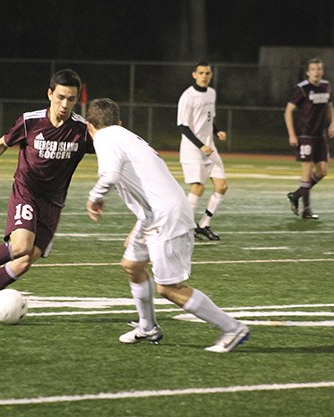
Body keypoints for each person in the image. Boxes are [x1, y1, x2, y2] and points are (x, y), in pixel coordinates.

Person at [86, 98, 249, 353]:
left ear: (90, 126)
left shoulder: (105, 138)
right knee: (132, 265)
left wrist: (95, 198)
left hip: (165, 216)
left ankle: (232, 327)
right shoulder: (128, 136)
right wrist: (139, 222)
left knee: (168, 288)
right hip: (154, 215)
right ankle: (148, 327)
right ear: (118, 121)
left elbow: (110, 175)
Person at [0, 69, 94, 322]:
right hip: (27, 191)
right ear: (49, 94)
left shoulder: (81, 130)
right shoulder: (30, 121)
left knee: (23, 262)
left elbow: (110, 147)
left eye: (71, 99)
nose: (65, 104)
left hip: (53, 204)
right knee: (21, 245)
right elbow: (2, 144)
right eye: (60, 97)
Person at [177, 61, 227, 241]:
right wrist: (200, 145)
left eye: (207, 73)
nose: (204, 76)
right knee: (197, 188)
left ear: (211, 75)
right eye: (201, 73)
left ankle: (204, 225)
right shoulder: (188, 97)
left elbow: (208, 119)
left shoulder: (211, 93)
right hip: (193, 149)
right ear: (194, 75)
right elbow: (183, 126)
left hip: (209, 148)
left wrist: (217, 131)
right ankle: (185, 229)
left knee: (222, 186)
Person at [284, 58, 334, 220]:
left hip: (320, 135)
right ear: (308, 72)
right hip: (305, 136)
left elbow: (330, 106)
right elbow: (288, 111)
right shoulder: (301, 89)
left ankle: (296, 195)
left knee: (322, 171)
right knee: (306, 174)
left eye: (319, 69)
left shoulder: (326, 86)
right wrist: (292, 134)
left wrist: (332, 124)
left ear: (322, 71)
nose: (316, 72)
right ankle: (306, 210)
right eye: (313, 69)